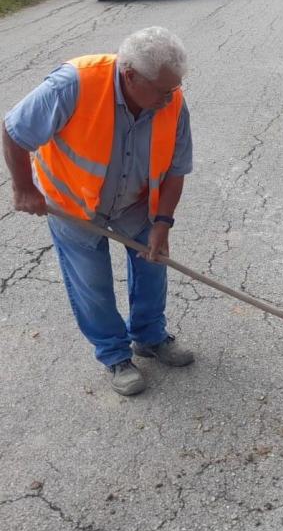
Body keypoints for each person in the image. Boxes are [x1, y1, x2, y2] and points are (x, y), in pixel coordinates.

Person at [2, 26, 194, 396]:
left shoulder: (172, 100)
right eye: (162, 91)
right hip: (74, 206)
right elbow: (14, 129)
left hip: (135, 205)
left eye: (174, 88)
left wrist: (163, 224)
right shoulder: (73, 84)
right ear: (130, 75)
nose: (170, 98)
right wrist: (24, 188)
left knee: (154, 265)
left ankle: (150, 337)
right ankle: (114, 354)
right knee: (93, 284)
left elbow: (176, 167)